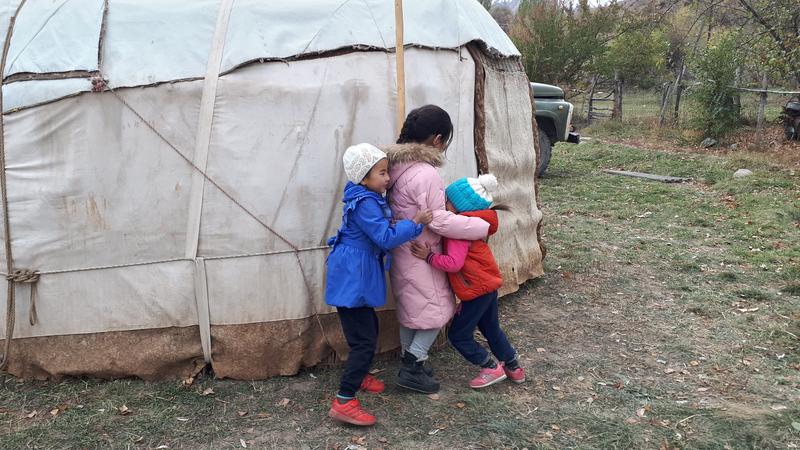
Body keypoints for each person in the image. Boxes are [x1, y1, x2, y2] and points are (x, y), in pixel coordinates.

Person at [384, 105, 490, 394]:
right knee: (436, 309)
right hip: (422, 250)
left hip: (402, 248)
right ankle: (413, 365)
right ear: (437, 139)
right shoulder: (424, 173)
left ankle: (411, 359)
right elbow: (439, 219)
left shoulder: (394, 166)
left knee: (411, 309)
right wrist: (481, 227)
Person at [326, 143, 433, 426]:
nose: (388, 178)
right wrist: (415, 223)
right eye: (383, 173)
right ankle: (344, 400)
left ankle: (359, 376)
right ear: (364, 177)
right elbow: (384, 237)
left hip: (353, 273)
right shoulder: (365, 203)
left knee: (366, 329)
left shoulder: (365, 196)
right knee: (364, 341)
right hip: (353, 276)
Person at [409, 174, 526, 389]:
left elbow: (454, 263)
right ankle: (513, 366)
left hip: (475, 290)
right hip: (486, 286)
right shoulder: (471, 225)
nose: (443, 203)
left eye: (447, 200)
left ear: (458, 205)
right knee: (491, 328)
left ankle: (489, 366)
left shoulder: (457, 233)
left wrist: (429, 257)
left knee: (459, 334)